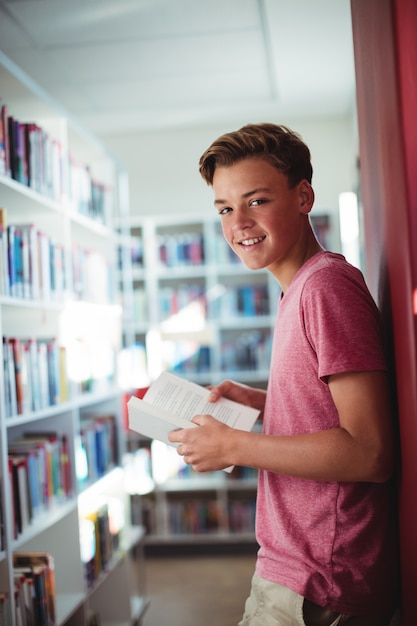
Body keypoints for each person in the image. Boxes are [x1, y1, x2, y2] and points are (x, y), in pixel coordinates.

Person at [168, 123, 399, 625]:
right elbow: (329, 416)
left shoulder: (325, 288)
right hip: (298, 568)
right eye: (226, 208)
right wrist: (261, 403)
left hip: (319, 579)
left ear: (303, 196)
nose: (239, 223)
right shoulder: (298, 289)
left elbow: (370, 451)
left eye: (256, 201)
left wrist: (234, 447)